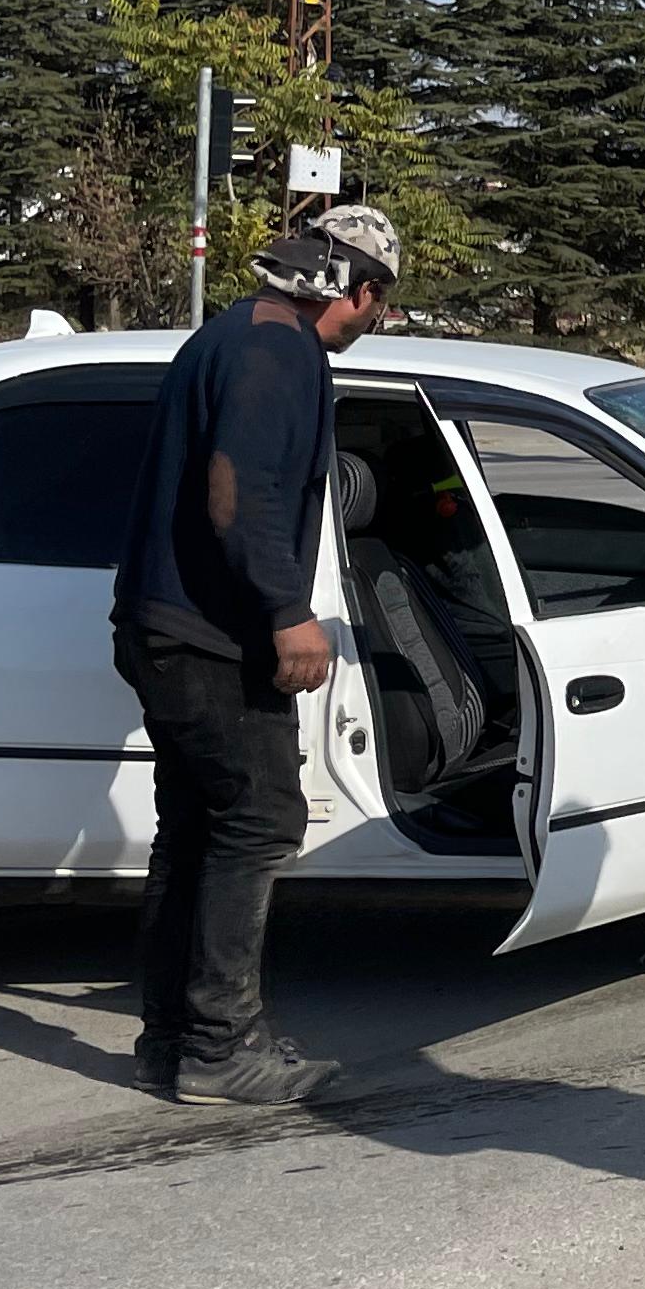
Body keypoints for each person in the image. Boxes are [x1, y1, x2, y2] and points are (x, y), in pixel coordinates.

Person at [110, 205, 403, 1106]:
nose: (377, 319)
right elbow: (240, 494)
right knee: (261, 818)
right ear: (356, 290)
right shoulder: (275, 354)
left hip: (169, 627)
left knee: (197, 833)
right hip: (209, 637)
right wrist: (288, 612)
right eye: (379, 302)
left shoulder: (241, 332)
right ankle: (218, 1045)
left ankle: (173, 1041)